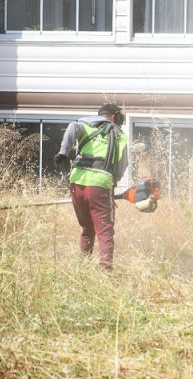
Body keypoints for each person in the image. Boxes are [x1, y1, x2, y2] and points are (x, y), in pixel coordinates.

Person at [54, 103, 129, 270]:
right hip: (100, 184)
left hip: (77, 183)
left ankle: (83, 269)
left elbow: (73, 127)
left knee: (87, 230)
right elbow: (121, 166)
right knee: (105, 232)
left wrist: (63, 152)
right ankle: (105, 272)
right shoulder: (119, 135)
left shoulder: (85, 125)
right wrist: (110, 186)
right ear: (112, 118)